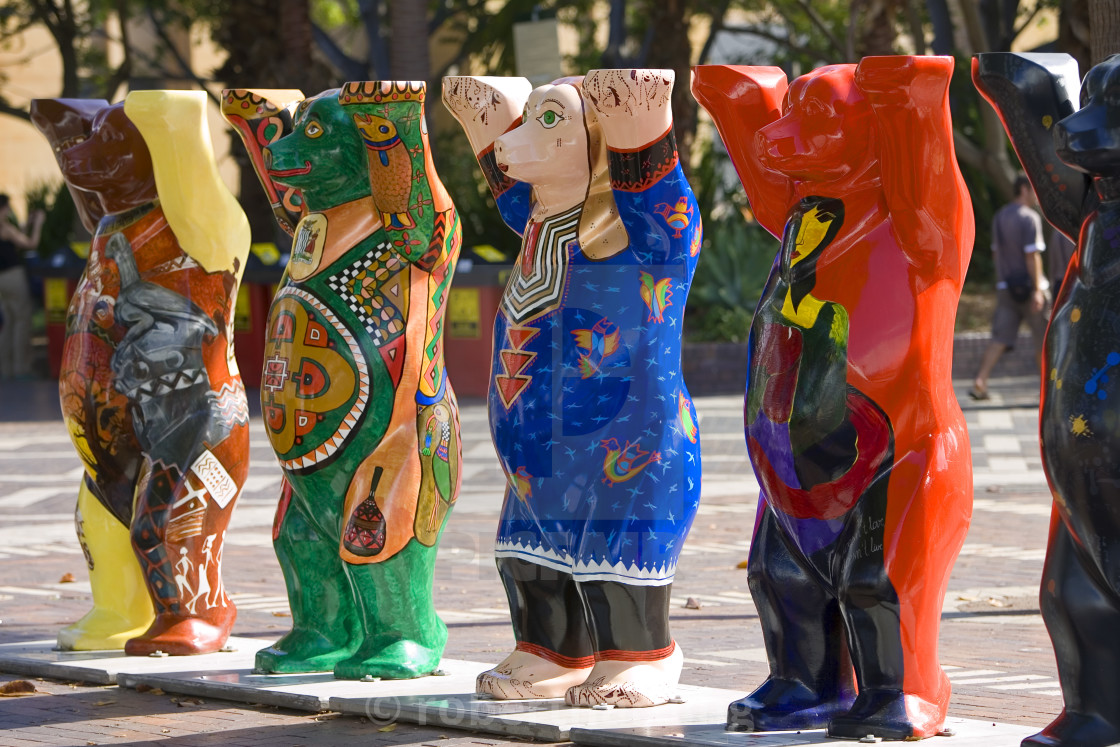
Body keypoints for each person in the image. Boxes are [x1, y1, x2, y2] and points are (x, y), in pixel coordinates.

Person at [971, 175, 1049, 400]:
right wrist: (1037, 289)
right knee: (1042, 339)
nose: (1037, 196)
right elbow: (1031, 256)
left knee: (999, 338)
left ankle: (981, 381)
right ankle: (1045, 390)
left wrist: (1002, 281)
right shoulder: (1030, 218)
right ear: (1024, 189)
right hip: (1030, 288)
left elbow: (996, 254)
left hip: (1006, 288)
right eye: (1034, 189)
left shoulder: (1000, 216)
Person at [0, 193, 45, 379]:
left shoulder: (7, 229)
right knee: (22, 320)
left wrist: (26, 224)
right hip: (13, 276)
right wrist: (38, 224)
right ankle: (22, 369)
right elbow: (31, 243)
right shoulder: (4, 227)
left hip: (1, 280)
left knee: (8, 323)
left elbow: (14, 240)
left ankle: (6, 369)